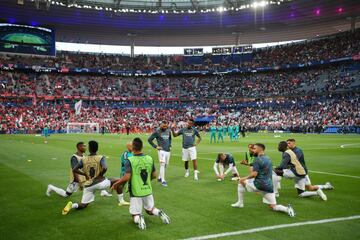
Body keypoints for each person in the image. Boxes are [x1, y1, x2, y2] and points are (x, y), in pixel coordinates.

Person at [112, 138, 170, 230]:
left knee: (134, 214)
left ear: (132, 148)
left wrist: (116, 184)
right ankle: (159, 212)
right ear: (142, 147)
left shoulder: (129, 160)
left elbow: (126, 177)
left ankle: (139, 219)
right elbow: (155, 175)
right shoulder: (149, 158)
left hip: (135, 191)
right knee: (150, 209)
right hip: (147, 189)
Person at [231, 143, 295, 217]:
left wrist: (243, 178)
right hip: (269, 186)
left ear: (259, 149)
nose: (252, 150)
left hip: (259, 185)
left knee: (241, 182)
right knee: (273, 206)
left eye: (254, 149)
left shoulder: (257, 159)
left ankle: (240, 203)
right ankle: (287, 209)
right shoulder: (268, 158)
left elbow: (254, 174)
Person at [62, 140, 117, 215]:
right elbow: (105, 168)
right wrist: (100, 175)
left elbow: (74, 169)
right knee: (117, 180)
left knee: (83, 204)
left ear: (89, 149)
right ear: (97, 149)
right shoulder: (101, 157)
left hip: (88, 185)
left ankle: (72, 205)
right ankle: (121, 199)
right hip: (99, 183)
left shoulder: (84, 159)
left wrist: (84, 174)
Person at [46, 142, 111, 198]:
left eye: (86, 146)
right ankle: (51, 187)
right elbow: (74, 170)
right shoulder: (74, 157)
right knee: (66, 194)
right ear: (79, 147)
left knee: (95, 182)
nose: (86, 148)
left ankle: (103, 191)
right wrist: (79, 182)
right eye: (84, 146)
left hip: (84, 178)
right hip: (76, 180)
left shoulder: (84, 157)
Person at [148, 121, 172, 187]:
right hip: (161, 151)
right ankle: (163, 180)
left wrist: (170, 145)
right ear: (160, 125)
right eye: (163, 126)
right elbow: (149, 140)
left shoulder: (168, 131)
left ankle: (159, 177)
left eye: (165, 126)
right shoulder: (157, 132)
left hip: (168, 150)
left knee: (165, 165)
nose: (164, 127)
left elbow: (170, 139)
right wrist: (156, 146)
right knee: (162, 164)